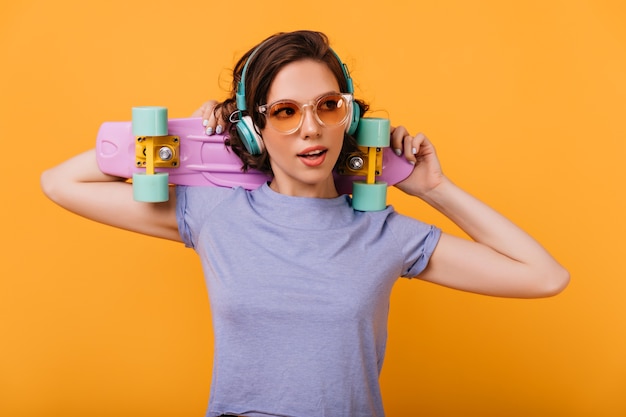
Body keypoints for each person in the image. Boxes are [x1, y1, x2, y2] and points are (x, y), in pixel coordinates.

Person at [40, 30, 569, 417]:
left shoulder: (382, 232)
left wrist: (434, 189)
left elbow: (544, 277)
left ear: (349, 117)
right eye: (286, 112)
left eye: (327, 106)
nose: (311, 129)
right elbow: (61, 183)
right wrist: (184, 137)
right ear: (254, 129)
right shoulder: (214, 214)